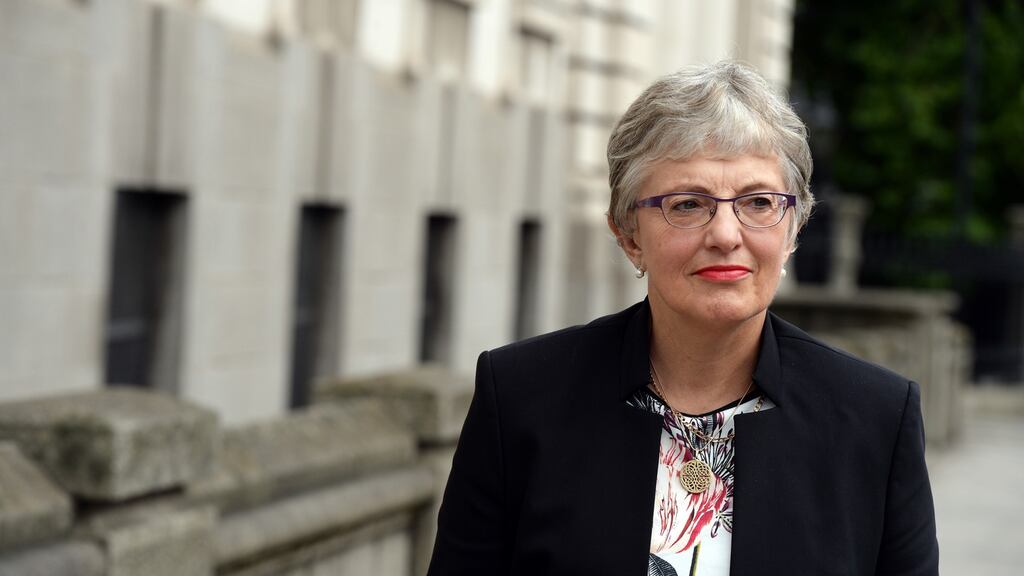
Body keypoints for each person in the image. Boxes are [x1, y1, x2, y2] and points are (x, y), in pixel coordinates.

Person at [427, 61, 938, 576]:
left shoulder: (876, 416)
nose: (724, 234)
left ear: (793, 230)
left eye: (758, 202)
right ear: (629, 236)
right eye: (688, 204)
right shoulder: (519, 397)